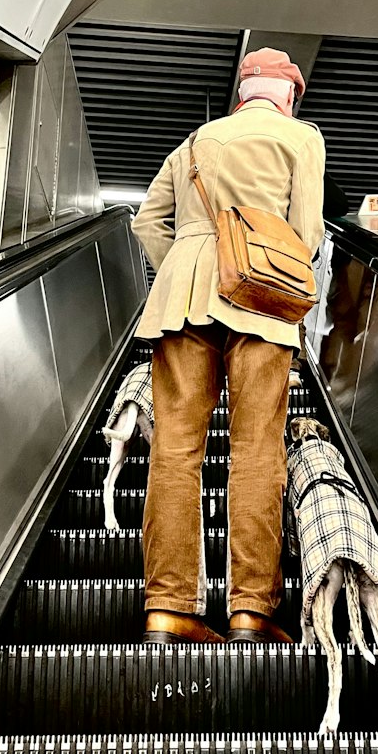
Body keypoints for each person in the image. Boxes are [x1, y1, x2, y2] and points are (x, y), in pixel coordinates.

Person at [131, 48, 326, 646]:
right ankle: (250, 610)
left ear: (242, 91)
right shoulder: (299, 138)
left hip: (182, 297)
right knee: (256, 451)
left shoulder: (196, 140)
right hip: (262, 298)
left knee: (175, 451)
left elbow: (146, 221)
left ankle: (168, 607)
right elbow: (309, 231)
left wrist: (187, 271)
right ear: (287, 94)